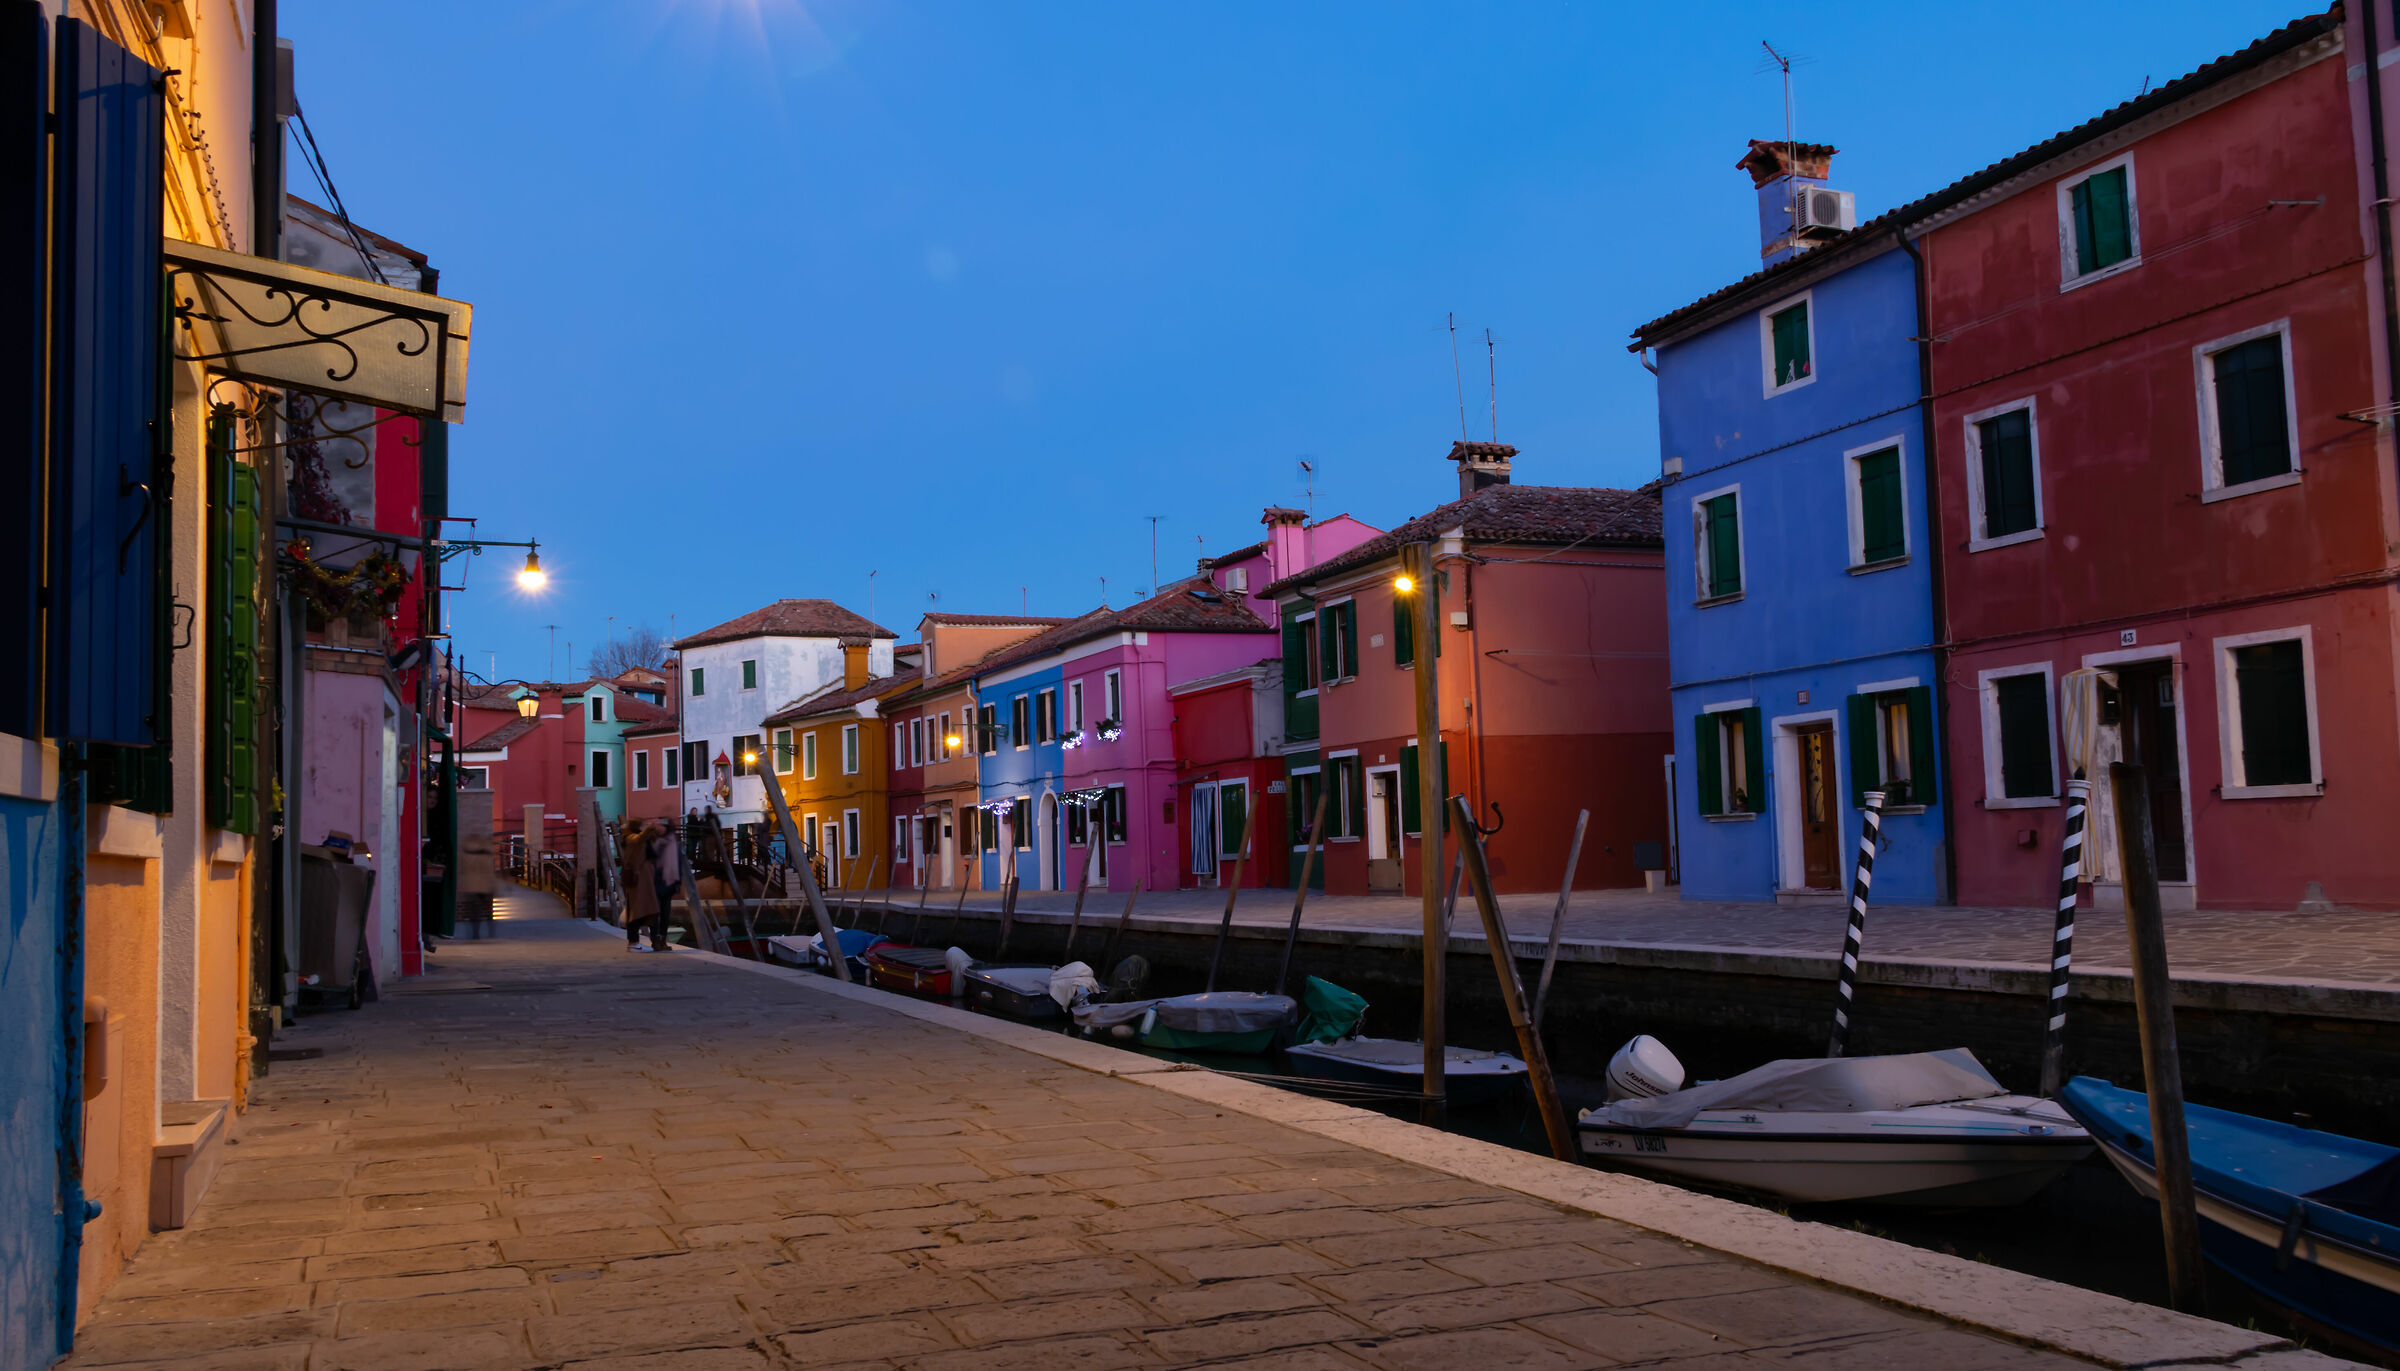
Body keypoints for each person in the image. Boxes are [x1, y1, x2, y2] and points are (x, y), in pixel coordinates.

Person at [621, 819, 667, 952]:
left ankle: (650, 941)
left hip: (645, 880)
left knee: (646, 910)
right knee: (637, 911)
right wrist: (649, 827)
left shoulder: (642, 840)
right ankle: (633, 942)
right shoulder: (631, 838)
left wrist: (652, 829)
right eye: (642, 825)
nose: (644, 827)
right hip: (639, 880)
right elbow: (639, 839)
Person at [648, 819, 683, 951]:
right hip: (655, 882)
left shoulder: (673, 843)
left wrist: (678, 881)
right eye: (659, 826)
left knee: (666, 914)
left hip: (668, 883)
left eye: (663, 826)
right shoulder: (653, 842)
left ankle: (663, 939)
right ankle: (655, 940)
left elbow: (678, 864)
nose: (660, 828)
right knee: (655, 914)